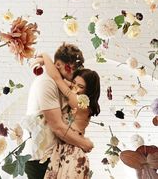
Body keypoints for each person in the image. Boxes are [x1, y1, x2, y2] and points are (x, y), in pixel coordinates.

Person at [23, 43, 94, 179]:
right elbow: (57, 127)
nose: (74, 73)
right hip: (41, 158)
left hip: (53, 156)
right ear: (59, 65)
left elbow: (57, 75)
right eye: (72, 68)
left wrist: (45, 56)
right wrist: (83, 143)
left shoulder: (62, 84)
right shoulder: (47, 83)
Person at [41, 53, 101, 179]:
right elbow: (64, 81)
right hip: (64, 151)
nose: (75, 88)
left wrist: (45, 56)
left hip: (74, 154)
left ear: (88, 91)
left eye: (81, 86)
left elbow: (57, 78)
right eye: (74, 83)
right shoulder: (79, 99)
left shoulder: (80, 103)